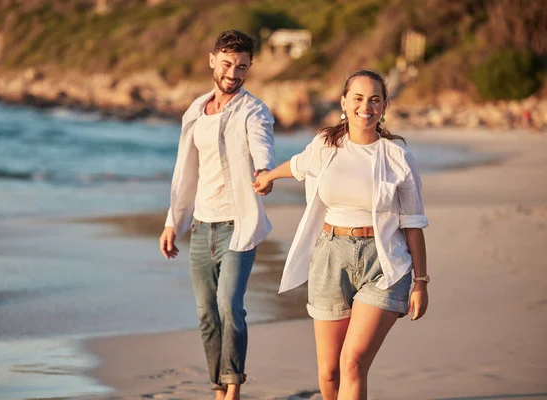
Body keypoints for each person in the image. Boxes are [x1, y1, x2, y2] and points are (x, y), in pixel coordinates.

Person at [253, 69, 429, 400]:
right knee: (329, 371)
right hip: (329, 257)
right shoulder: (325, 145)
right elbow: (298, 165)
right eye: (359, 98)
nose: (366, 106)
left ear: (384, 106)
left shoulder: (398, 157)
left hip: (383, 264)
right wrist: (269, 177)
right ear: (344, 102)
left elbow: (413, 223)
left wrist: (421, 281)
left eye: (375, 99)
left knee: (352, 363)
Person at [159, 30, 275, 400]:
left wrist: (264, 172)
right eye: (227, 64)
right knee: (207, 313)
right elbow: (184, 172)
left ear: (249, 68)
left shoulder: (254, 111)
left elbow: (261, 143)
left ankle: (234, 386)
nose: (233, 72)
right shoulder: (194, 111)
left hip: (237, 226)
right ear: (212, 60)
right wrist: (171, 223)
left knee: (230, 306)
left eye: (242, 66)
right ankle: (217, 386)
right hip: (201, 227)